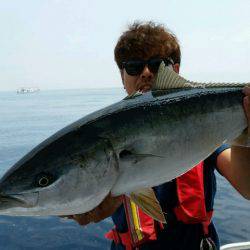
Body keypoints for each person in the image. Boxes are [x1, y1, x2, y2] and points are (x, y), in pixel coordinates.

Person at [68, 22, 250, 250]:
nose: (146, 73)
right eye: (134, 66)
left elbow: (248, 186)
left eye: (157, 65)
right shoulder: (103, 138)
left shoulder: (203, 130)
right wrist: (78, 207)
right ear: (122, 76)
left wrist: (245, 131)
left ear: (174, 71)